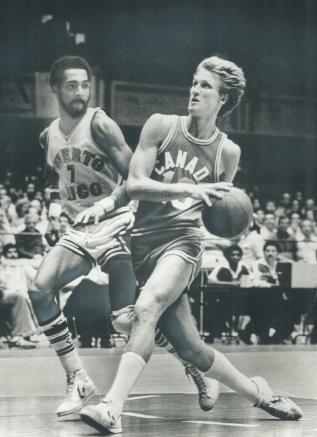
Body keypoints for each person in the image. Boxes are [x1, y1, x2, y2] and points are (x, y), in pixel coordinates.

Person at [80, 56, 302, 433]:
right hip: (142, 244)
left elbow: (221, 215)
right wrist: (115, 202)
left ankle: (110, 407)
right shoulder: (161, 126)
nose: (195, 90)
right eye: (195, 82)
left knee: (147, 306)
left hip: (183, 244)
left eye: (205, 86)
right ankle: (261, 394)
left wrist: (230, 221)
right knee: (191, 349)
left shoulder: (227, 153)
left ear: (223, 99)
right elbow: (134, 184)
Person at [28, 55, 215, 418]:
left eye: (85, 84)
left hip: (117, 224)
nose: (80, 91)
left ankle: (194, 366)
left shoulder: (100, 124)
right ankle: (78, 379)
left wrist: (114, 209)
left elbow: (135, 178)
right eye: (71, 85)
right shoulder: (46, 136)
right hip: (79, 230)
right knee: (38, 289)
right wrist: (59, 208)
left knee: (126, 320)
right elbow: (66, 177)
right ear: (54, 89)